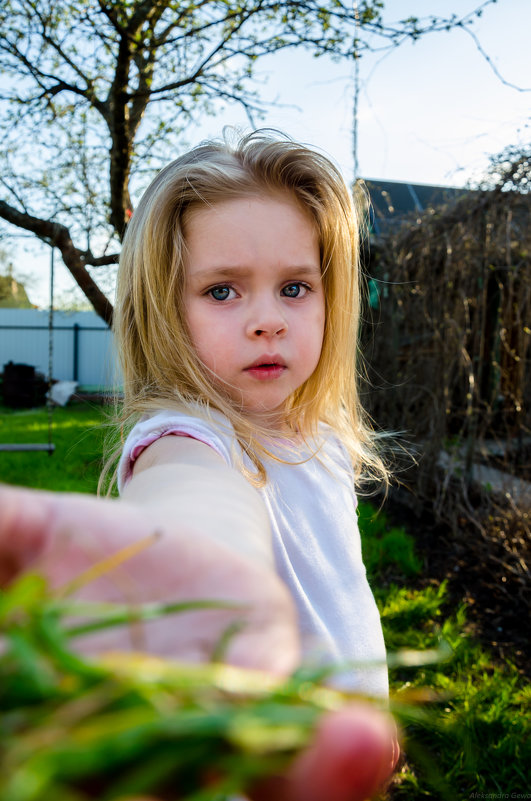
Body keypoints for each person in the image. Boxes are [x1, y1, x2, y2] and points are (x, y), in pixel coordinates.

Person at [0, 130, 400, 801]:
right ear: (167, 310)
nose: (266, 319)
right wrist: (186, 555)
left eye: (295, 286)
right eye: (222, 292)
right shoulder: (187, 434)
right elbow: (194, 495)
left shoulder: (320, 434)